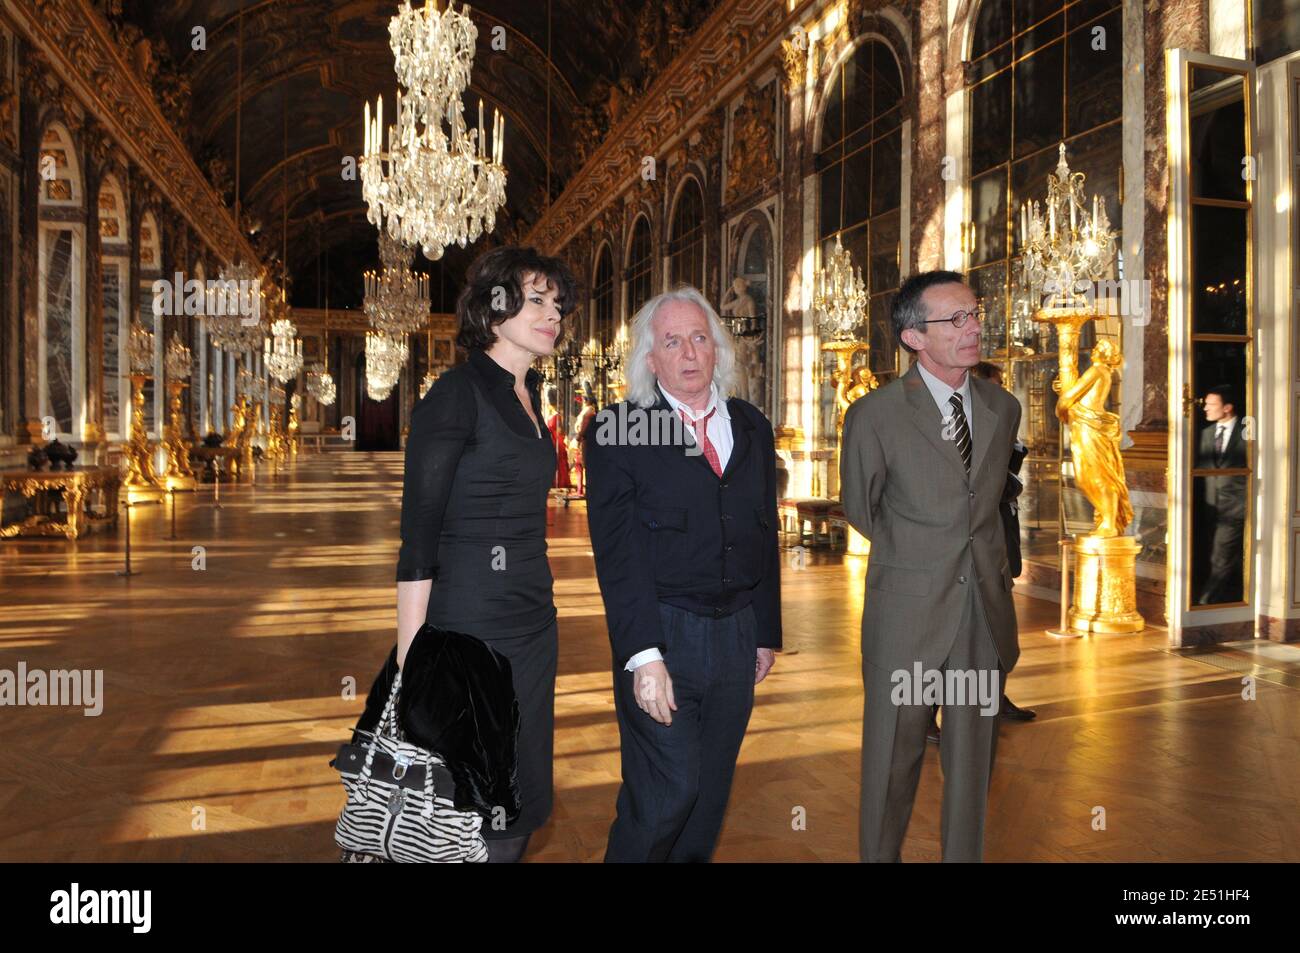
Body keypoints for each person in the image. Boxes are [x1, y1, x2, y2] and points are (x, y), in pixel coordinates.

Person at [383, 245, 577, 864]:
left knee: (519, 801)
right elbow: (419, 537)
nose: (554, 315)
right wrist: (414, 668)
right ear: (495, 308)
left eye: (558, 304)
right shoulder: (456, 395)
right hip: (470, 629)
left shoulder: (530, 397)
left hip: (533, 624)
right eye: (538, 300)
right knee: (469, 812)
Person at [585, 286, 782, 862]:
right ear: (650, 359)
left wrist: (765, 630)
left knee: (709, 797)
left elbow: (762, 532)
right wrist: (642, 657)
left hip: (737, 633)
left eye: (700, 338)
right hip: (664, 633)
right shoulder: (618, 430)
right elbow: (617, 556)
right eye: (672, 341)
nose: (689, 352)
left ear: (717, 348)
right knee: (668, 791)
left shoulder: (750, 426)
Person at [841, 270, 1021, 862]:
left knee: (973, 765)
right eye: (956, 319)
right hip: (907, 616)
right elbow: (863, 510)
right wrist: (922, 557)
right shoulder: (874, 415)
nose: (974, 328)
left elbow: (988, 503)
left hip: (981, 617)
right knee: (893, 760)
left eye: (975, 314)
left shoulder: (1002, 406)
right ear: (914, 337)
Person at [1196, 385, 1247, 604]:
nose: (1205, 408)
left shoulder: (1247, 429)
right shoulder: (1206, 434)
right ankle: (1231, 598)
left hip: (1235, 507)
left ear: (1227, 408)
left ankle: (1205, 603)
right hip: (1210, 507)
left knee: (1221, 557)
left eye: (1211, 404)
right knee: (1222, 556)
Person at [544, 385, 571, 490]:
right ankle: (557, 481)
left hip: (555, 441)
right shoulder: (556, 415)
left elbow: (559, 430)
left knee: (557, 460)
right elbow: (560, 431)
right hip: (556, 440)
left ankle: (558, 481)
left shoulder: (554, 416)